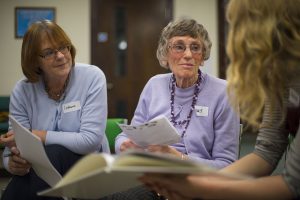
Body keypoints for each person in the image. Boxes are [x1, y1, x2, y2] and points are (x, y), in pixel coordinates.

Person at [140, 0, 300, 199]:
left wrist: (197, 187)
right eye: (179, 47)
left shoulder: (223, 90)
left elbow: (293, 184)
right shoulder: (280, 79)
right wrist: (194, 184)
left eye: (240, 25)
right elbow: (266, 153)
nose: (236, 37)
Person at [102, 18, 240, 199]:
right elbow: (127, 135)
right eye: (179, 46)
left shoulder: (223, 92)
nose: (188, 54)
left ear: (203, 56)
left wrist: (179, 158)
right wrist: (125, 145)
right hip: (150, 174)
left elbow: (227, 165)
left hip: (194, 182)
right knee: (101, 191)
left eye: (195, 47)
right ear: (165, 54)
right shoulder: (154, 85)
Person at [0, 20, 109, 200]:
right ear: (34, 60)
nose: (60, 56)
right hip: (41, 170)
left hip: (89, 165)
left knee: (51, 155)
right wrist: (13, 163)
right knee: (37, 171)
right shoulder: (22, 90)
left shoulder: (92, 77)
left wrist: (38, 135)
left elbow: (90, 141)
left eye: (64, 47)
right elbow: (13, 148)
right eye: (49, 52)